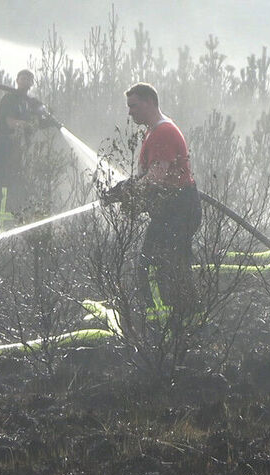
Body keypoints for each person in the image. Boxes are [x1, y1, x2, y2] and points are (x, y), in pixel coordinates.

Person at [102, 82, 202, 326]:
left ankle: (168, 324)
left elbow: (156, 176)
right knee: (172, 268)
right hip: (172, 209)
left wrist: (127, 191)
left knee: (153, 268)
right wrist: (125, 188)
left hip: (178, 209)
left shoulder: (163, 132)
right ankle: (184, 323)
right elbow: (152, 174)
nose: (130, 112)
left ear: (149, 102)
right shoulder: (153, 131)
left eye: (133, 106)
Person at [0, 69, 56, 228]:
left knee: (21, 190)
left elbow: (40, 121)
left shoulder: (29, 103)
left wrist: (51, 121)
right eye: (23, 77)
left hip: (21, 153)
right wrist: (27, 125)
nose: (26, 80)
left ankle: (19, 223)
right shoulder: (10, 99)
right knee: (5, 189)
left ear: (32, 83)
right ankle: (3, 225)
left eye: (29, 78)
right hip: (5, 149)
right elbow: (9, 121)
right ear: (17, 80)